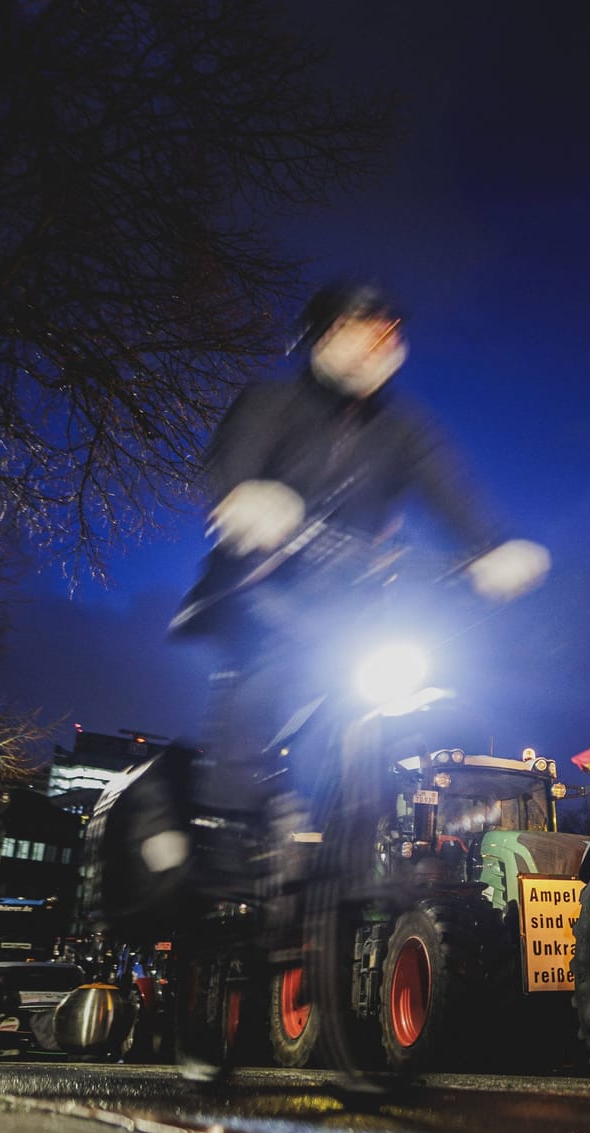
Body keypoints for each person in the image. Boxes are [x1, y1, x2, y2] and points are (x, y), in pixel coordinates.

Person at [173, 281, 549, 830]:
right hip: (264, 582)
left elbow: (448, 490)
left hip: (351, 598)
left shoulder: (402, 431)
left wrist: (489, 548)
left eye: (388, 330)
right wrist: (245, 495)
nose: (379, 340)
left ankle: (367, 827)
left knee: (390, 691)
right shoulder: (273, 404)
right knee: (266, 663)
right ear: (327, 336)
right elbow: (236, 457)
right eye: (362, 327)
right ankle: (227, 818)